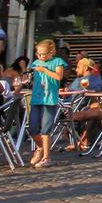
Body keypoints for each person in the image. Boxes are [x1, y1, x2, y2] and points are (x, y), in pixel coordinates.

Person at [27, 39, 67, 168]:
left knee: (45, 129)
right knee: (32, 128)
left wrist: (44, 70)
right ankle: (40, 147)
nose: (41, 57)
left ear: (51, 52)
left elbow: (58, 77)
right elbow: (31, 79)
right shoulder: (36, 63)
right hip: (37, 98)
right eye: (38, 54)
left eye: (43, 54)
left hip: (49, 99)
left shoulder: (57, 62)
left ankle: (46, 157)